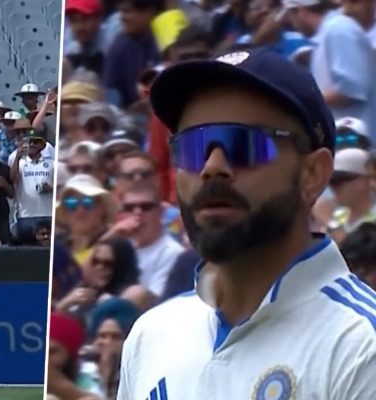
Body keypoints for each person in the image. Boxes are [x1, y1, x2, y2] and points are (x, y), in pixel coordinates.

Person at [117, 48, 376, 399]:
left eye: (244, 145)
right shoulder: (152, 334)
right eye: (195, 147)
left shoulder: (362, 344)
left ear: (313, 174)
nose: (212, 167)